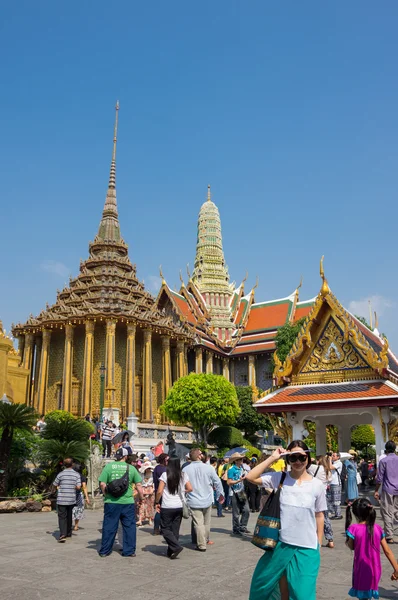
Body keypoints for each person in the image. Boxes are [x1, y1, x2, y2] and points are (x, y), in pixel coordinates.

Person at [247, 441, 327, 600]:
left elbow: (319, 515)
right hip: (281, 545)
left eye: (301, 457)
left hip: (307, 547)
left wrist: (318, 542)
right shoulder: (279, 478)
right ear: (287, 459)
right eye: (293, 457)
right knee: (265, 587)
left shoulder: (317, 485)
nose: (297, 461)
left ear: (308, 458)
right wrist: (272, 458)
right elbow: (250, 477)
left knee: (303, 595)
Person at [345, 497, 398, 598]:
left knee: (363, 596)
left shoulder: (353, 529)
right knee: (368, 593)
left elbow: (351, 546)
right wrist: (396, 569)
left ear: (356, 514)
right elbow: (387, 551)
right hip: (375, 569)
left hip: (361, 569)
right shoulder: (377, 528)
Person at [98, 447, 144, 557]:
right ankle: (128, 551)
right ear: (125, 457)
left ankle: (105, 551)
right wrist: (141, 498)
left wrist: (106, 494)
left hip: (111, 502)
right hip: (127, 502)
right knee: (129, 527)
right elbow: (138, 485)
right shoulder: (131, 468)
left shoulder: (108, 467)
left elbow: (102, 484)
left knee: (109, 526)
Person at [184, 448, 224, 551]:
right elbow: (217, 482)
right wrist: (220, 494)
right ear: (199, 456)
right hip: (207, 499)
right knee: (206, 523)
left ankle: (201, 544)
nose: (202, 455)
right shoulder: (209, 468)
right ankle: (203, 541)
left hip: (193, 500)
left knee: (198, 523)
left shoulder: (185, 469)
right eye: (201, 453)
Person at [155, 456, 193, 559]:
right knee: (175, 529)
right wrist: (182, 491)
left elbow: (159, 491)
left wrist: (156, 501)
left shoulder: (165, 474)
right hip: (179, 506)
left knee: (165, 528)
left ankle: (176, 547)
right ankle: (171, 551)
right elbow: (190, 488)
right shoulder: (183, 475)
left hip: (167, 506)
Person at [53, 457, 81, 543]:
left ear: (64, 465)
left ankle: (62, 534)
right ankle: (68, 532)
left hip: (62, 499)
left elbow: (55, 484)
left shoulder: (60, 474)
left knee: (62, 517)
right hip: (71, 499)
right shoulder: (76, 475)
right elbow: (78, 487)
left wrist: (58, 487)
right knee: (69, 516)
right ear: (72, 464)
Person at [308, 455, 334, 548]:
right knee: (325, 517)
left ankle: (314, 537)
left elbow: (305, 465)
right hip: (324, 495)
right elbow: (329, 481)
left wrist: (310, 459)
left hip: (313, 494)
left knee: (312, 516)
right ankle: (330, 539)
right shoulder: (328, 471)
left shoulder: (315, 468)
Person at [375, 440, 398, 543]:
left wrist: (376, 490)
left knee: (387, 512)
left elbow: (379, 478)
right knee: (396, 511)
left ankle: (389, 535)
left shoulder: (384, 461)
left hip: (388, 488)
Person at [226, 452, 250, 536]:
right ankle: (236, 528)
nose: (242, 460)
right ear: (236, 461)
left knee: (246, 510)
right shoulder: (231, 469)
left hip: (241, 491)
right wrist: (238, 480)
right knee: (236, 513)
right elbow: (229, 482)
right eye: (240, 459)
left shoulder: (242, 468)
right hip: (234, 492)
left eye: (242, 459)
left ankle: (243, 526)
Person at [153, 453, 168, 535]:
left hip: (157, 490)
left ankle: (156, 528)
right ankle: (162, 528)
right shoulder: (164, 469)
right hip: (163, 491)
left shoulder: (156, 468)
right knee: (162, 511)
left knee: (158, 510)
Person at [72, 463, 90, 531]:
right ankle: (76, 526)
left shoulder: (72, 476)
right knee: (78, 510)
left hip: (71, 495)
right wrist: (87, 497)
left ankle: (68, 524)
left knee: (70, 509)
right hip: (79, 495)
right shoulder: (82, 476)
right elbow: (84, 487)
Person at [137, 461, 155, 527]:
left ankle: (150, 518)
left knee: (150, 505)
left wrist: (153, 489)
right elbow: (139, 482)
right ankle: (140, 519)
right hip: (143, 489)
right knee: (142, 504)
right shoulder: (141, 474)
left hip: (150, 489)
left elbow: (154, 482)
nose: (148, 469)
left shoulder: (153, 474)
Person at [329, 451, 343, 520]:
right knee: (332, 499)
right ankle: (335, 513)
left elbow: (331, 467)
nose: (332, 457)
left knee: (336, 500)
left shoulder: (339, 463)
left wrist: (329, 459)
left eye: (334, 456)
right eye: (332, 455)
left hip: (336, 483)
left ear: (338, 457)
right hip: (331, 482)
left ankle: (338, 514)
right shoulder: (333, 462)